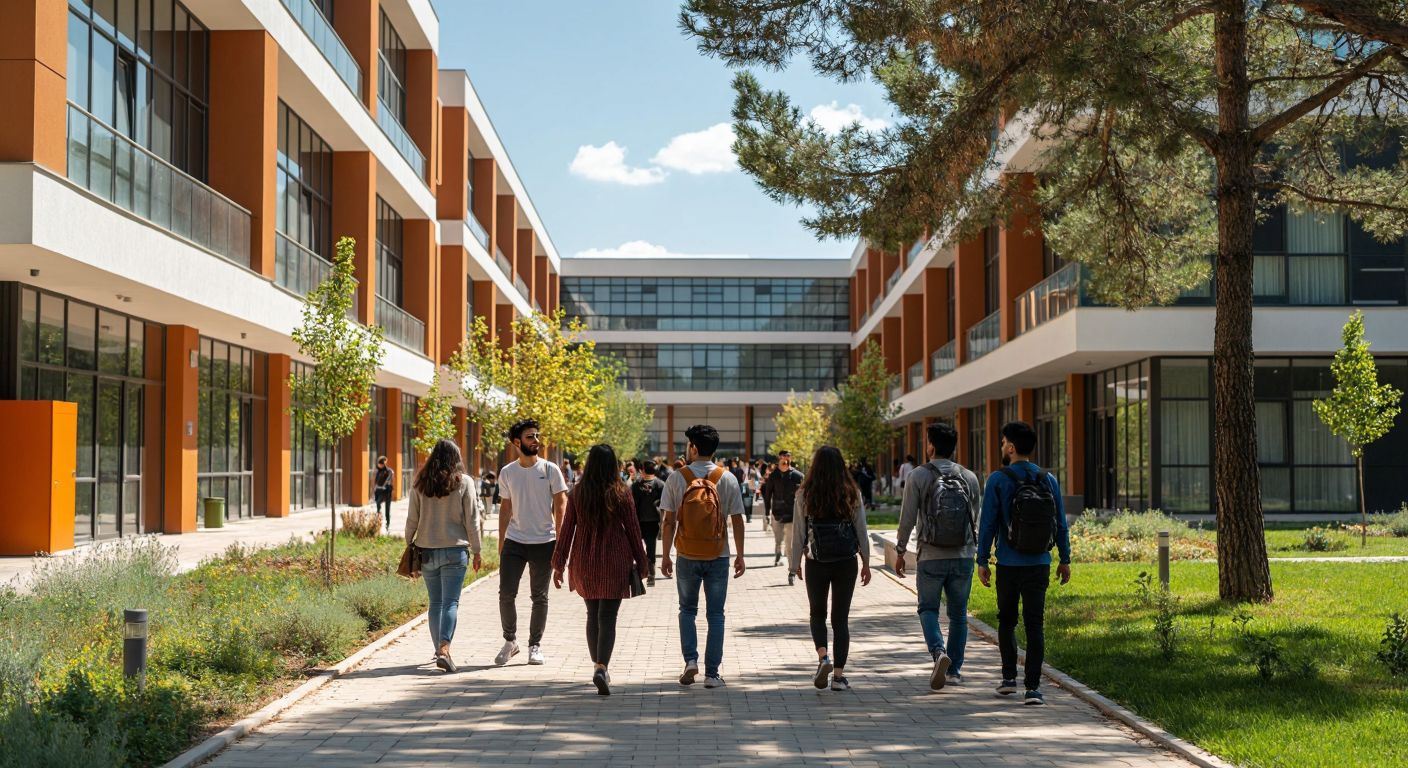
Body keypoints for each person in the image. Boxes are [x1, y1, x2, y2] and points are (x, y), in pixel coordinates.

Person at [977, 420, 1072, 707]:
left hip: (1008, 562)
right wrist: (1065, 559)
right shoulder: (1049, 479)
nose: (1002, 445)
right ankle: (1033, 688)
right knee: (1035, 624)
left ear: (1012, 447)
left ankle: (1009, 679)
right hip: (1040, 562)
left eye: (1004, 441)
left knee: (1007, 620)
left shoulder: (998, 479)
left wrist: (982, 560)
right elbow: (1061, 525)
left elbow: (988, 524)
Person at [551, 444, 649, 696]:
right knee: (608, 617)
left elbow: (567, 530)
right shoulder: (621, 493)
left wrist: (558, 564)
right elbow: (633, 530)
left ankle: (598, 666)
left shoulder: (577, 493)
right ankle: (602, 666)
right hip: (615, 559)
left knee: (592, 614)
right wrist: (643, 562)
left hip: (585, 559)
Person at [894, 422, 981, 689]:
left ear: (931, 445)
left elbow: (907, 518)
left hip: (930, 555)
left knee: (928, 608)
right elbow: (974, 517)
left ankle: (937, 652)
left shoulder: (918, 476)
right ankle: (954, 670)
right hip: (963, 555)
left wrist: (900, 551)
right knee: (958, 614)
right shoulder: (969, 477)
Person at [659, 424, 747, 689]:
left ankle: (690, 661)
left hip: (686, 553)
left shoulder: (677, 477)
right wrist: (740, 555)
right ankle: (712, 674)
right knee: (716, 614)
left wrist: (665, 556)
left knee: (687, 610)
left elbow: (668, 521)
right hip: (718, 554)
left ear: (694, 447)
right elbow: (738, 520)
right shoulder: (727, 478)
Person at [790, 446, 872, 692]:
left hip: (817, 561)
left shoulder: (805, 493)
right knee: (840, 620)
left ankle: (823, 657)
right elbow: (862, 531)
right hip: (846, 562)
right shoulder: (851, 493)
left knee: (817, 614)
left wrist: (795, 564)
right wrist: (866, 562)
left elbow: (798, 534)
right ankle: (838, 677)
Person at [404, 439, 483, 674]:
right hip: (455, 552)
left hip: (426, 551)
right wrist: (478, 550)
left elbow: (411, 520)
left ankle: (438, 649)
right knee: (450, 603)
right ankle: (444, 649)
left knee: (435, 603)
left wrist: (409, 544)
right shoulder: (464, 482)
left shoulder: (420, 484)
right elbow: (472, 520)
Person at [495, 419, 569, 667]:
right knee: (506, 594)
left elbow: (561, 505)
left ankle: (534, 645)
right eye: (530, 437)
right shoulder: (507, 472)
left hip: (544, 542)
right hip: (514, 541)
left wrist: (560, 540)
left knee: (539, 596)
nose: (536, 440)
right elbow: (505, 508)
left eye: (537, 436)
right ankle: (510, 641)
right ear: (517, 442)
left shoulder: (550, 470)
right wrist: (501, 539)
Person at [763, 451, 804, 585]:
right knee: (778, 539)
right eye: (783, 457)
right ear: (779, 459)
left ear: (791, 459)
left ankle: (791, 572)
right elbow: (768, 495)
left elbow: (804, 497)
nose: (785, 459)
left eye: (788, 457)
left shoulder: (798, 476)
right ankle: (778, 553)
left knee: (790, 544)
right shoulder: (773, 475)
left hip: (792, 515)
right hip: (777, 513)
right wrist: (767, 512)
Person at [631, 461, 666, 586]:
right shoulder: (660, 484)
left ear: (642, 470)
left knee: (636, 548)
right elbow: (665, 505)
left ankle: (640, 572)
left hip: (637, 522)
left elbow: (631, 504)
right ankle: (651, 575)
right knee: (651, 548)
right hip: (653, 522)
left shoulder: (636, 485)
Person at [374, 455, 394, 529]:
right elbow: (376, 482)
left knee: (387, 508)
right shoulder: (378, 471)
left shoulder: (389, 471)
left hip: (387, 491)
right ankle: (378, 516)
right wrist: (376, 487)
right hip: (380, 491)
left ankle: (387, 523)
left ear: (383, 464)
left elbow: (388, 479)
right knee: (378, 502)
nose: (378, 465)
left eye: (380, 464)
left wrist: (384, 485)